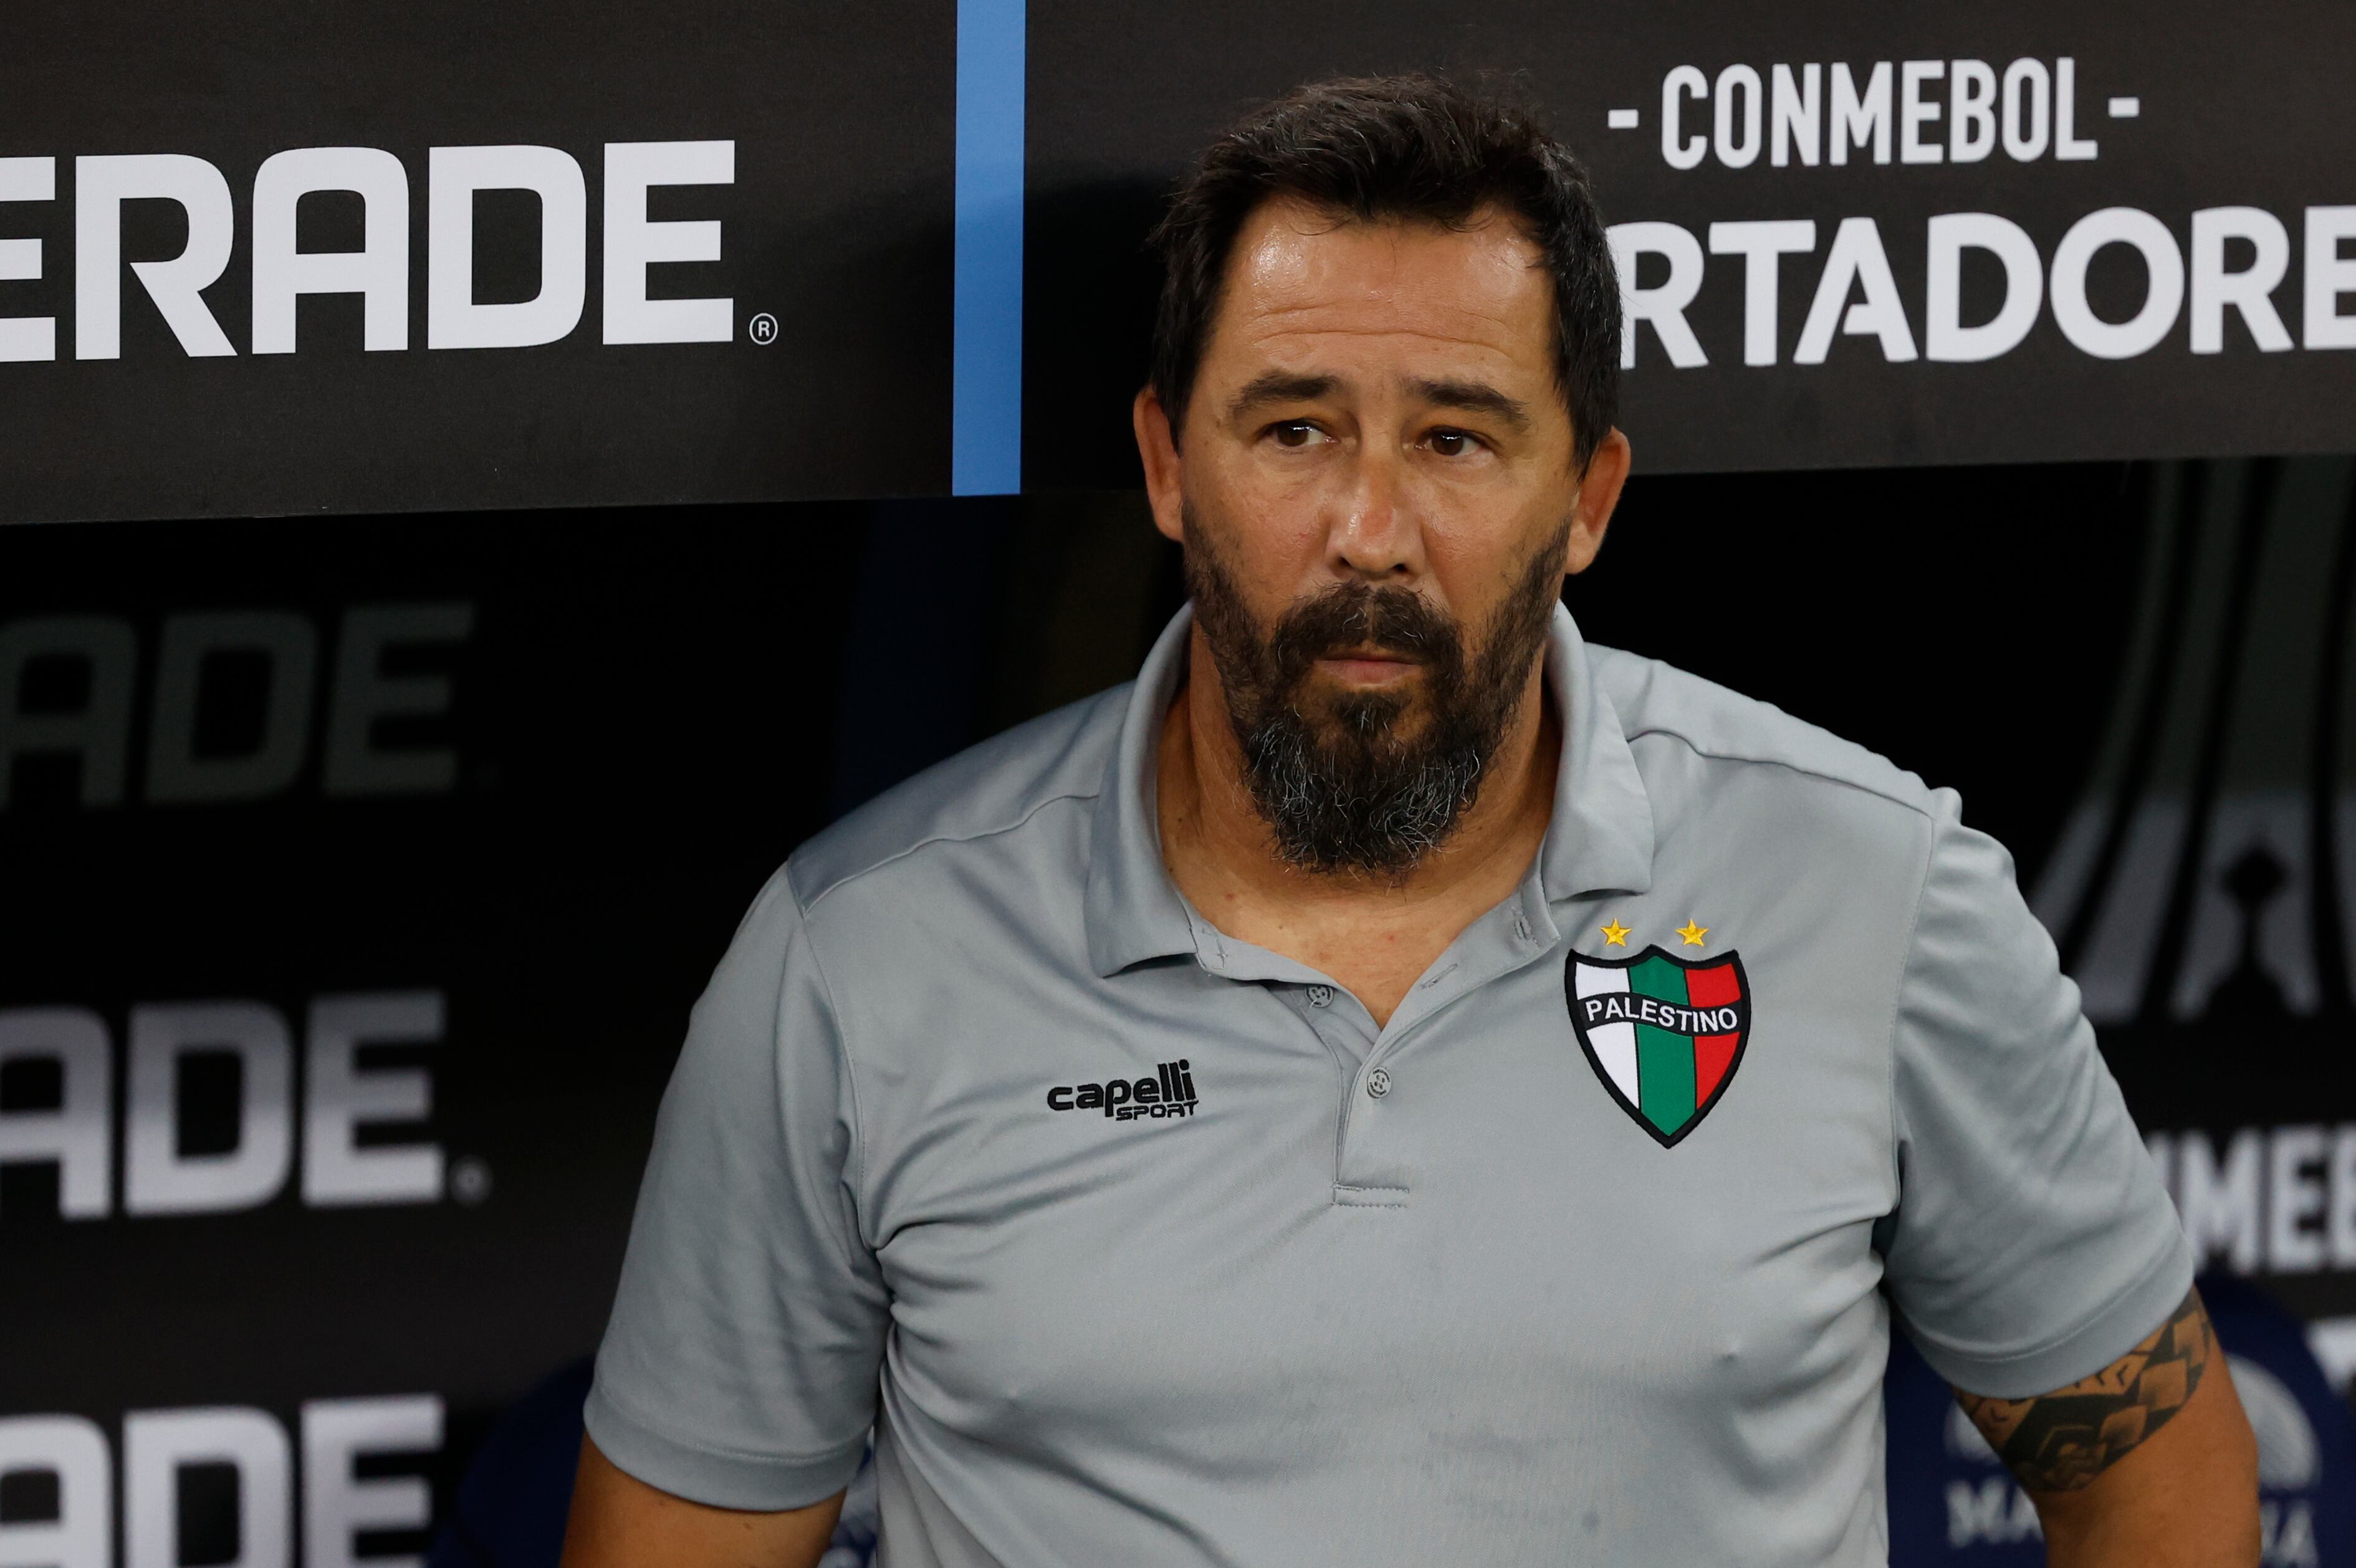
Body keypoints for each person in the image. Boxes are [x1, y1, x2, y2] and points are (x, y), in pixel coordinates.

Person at [558, 75, 2259, 1567]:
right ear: (1164, 465)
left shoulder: (1874, 892)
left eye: (1456, 438)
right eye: (1293, 428)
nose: (1368, 529)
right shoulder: (854, 959)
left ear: (1584, 496)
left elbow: (2163, 1490)